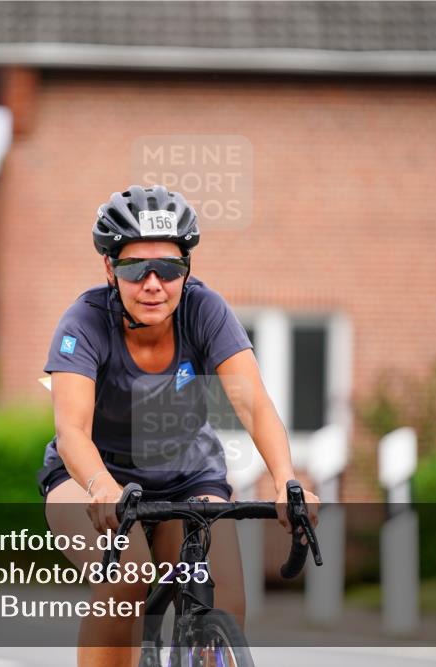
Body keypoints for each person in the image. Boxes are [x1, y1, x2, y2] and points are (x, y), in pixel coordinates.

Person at [38, 185, 320, 667]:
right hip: (89, 478)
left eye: (168, 268)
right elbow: (73, 433)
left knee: (224, 594)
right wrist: (102, 486)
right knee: (126, 577)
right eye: (135, 268)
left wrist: (285, 480)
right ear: (110, 268)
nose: (153, 283)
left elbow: (252, 405)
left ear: (186, 269)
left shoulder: (206, 310)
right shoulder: (82, 323)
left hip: (187, 476)